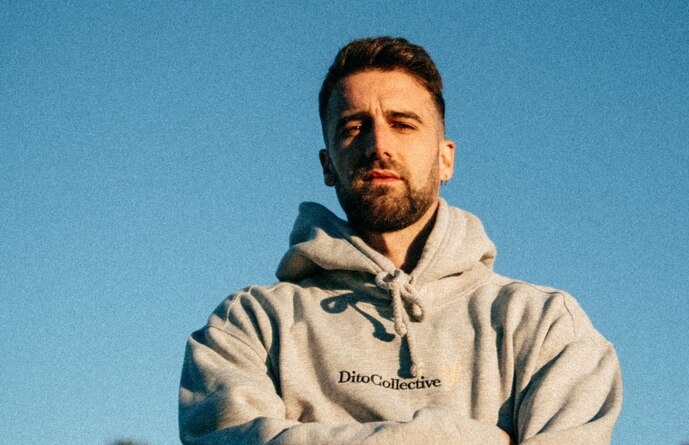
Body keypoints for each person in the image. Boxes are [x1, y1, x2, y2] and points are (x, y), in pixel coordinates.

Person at [179, 36, 623, 445]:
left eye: (403, 123)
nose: (378, 145)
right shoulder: (251, 325)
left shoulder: (542, 325)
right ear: (327, 165)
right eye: (353, 127)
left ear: (445, 158)